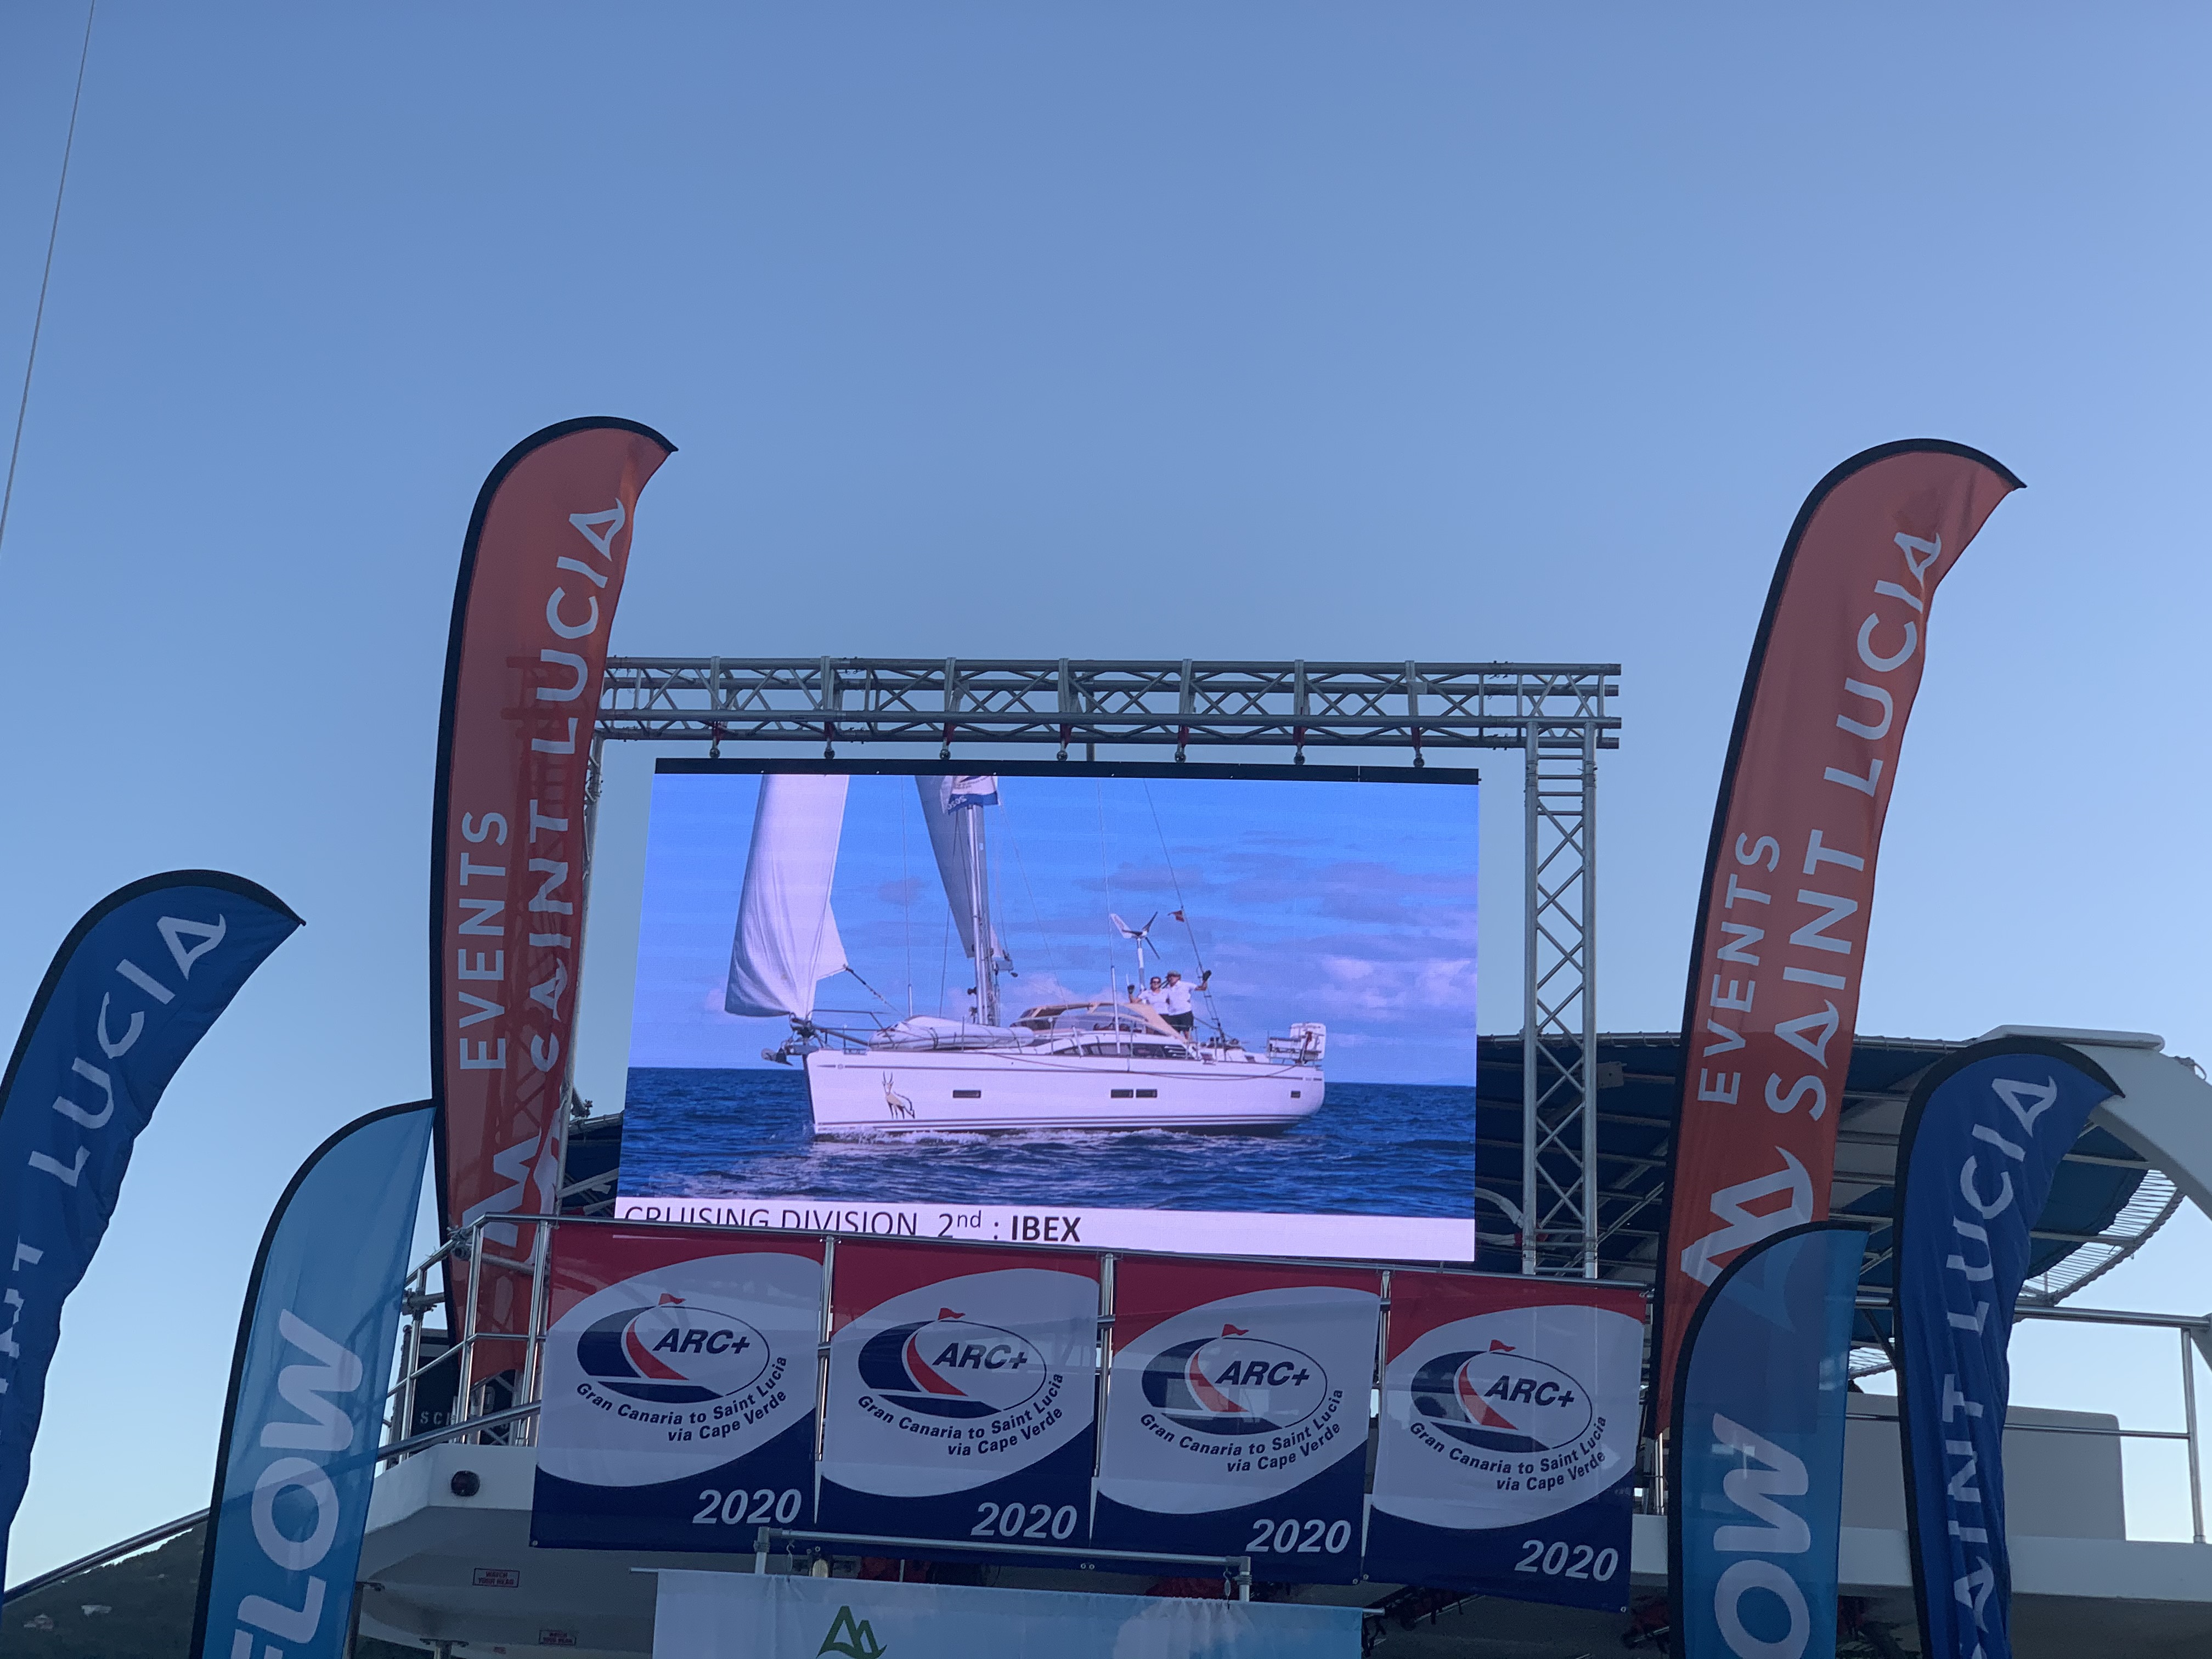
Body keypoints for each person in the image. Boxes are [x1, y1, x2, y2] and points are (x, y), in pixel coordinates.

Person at [1159, 970, 1197, 1036]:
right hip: (1173, 1014)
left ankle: (1189, 1043)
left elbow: (1202, 988)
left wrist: (1205, 981)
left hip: (1185, 1012)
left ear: (1178, 977)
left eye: (1174, 976)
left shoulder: (1186, 985)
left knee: (1187, 1034)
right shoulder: (1166, 989)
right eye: (1170, 976)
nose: (1171, 978)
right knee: (1175, 1035)